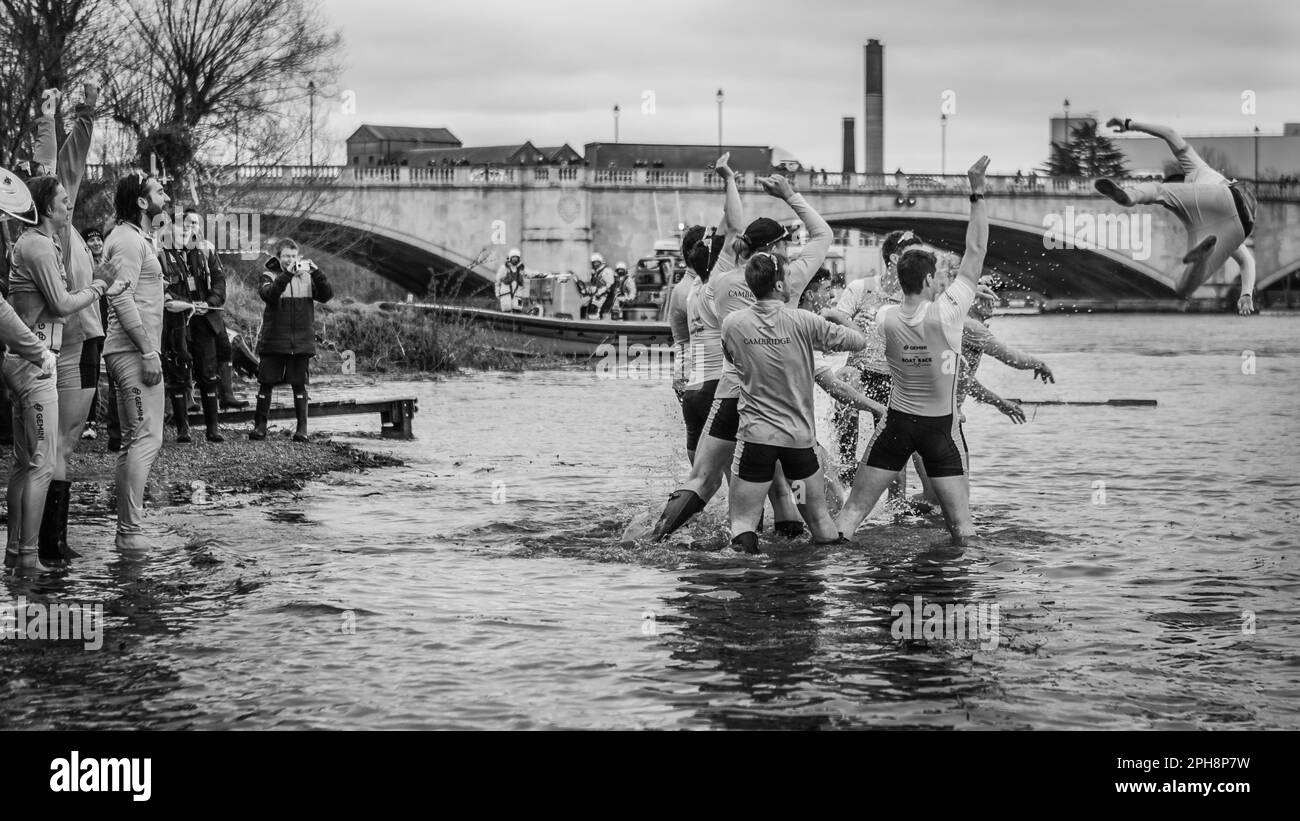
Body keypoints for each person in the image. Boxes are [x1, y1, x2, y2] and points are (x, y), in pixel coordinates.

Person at [650, 154, 830, 542]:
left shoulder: (714, 280)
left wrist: (728, 179)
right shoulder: (789, 282)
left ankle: (654, 539)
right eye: (785, 245)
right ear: (774, 252)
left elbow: (733, 225)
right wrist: (789, 194)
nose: (790, 250)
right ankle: (788, 559)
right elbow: (823, 236)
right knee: (781, 487)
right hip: (774, 398)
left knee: (705, 477)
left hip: (715, 391)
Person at [836, 156, 991, 546]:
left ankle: (827, 564)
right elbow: (976, 251)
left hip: (897, 426)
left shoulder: (885, 315)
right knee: (962, 529)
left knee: (851, 515)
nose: (943, 279)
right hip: (940, 431)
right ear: (926, 279)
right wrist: (976, 191)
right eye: (938, 275)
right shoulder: (950, 313)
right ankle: (960, 584)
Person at [1095, 117, 1257, 314]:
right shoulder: (1199, 217)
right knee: (1183, 287)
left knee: (1159, 191)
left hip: (1228, 197)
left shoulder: (1196, 170)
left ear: (1180, 181)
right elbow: (1246, 261)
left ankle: (1129, 196)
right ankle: (1202, 257)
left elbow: (1169, 133)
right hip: (1242, 221)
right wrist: (1246, 294)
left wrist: (1129, 124)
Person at [102, 170, 170, 550]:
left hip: (129, 349)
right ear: (142, 202)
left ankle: (127, 531)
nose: (167, 197)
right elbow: (120, 297)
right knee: (146, 439)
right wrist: (148, 351)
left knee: (133, 441)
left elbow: (135, 291)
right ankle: (130, 532)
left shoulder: (135, 237)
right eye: (159, 192)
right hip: (132, 352)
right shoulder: (128, 240)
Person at [250, 238, 333, 442]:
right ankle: (260, 428)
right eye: (286, 256)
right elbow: (269, 295)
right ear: (279, 257)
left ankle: (302, 430)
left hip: (301, 341)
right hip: (274, 340)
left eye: (294, 256)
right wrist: (287, 274)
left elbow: (327, 295)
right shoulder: (268, 275)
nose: (290, 260)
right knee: (266, 383)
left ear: (299, 257)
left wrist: (317, 273)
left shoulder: (306, 277)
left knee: (299, 384)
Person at [166, 207, 230, 442]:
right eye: (180, 226)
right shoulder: (163, 252)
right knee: (178, 371)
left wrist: (209, 302)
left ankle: (212, 429)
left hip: (204, 319)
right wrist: (184, 304)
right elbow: (161, 286)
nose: (186, 229)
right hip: (177, 320)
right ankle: (183, 429)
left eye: (189, 225)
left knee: (208, 372)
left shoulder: (203, 250)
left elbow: (220, 280)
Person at [674, 226, 725, 463]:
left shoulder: (688, 287)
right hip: (709, 381)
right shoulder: (695, 288)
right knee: (723, 467)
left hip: (693, 382)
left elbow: (686, 340)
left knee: (703, 474)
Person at [495, 248, 527, 313]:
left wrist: (525, 295)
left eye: (516, 258)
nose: (515, 260)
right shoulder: (503, 268)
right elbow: (497, 282)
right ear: (510, 258)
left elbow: (525, 283)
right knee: (506, 313)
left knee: (518, 312)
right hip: (506, 295)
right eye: (513, 258)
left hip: (518, 296)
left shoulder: (521, 269)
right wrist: (497, 293)